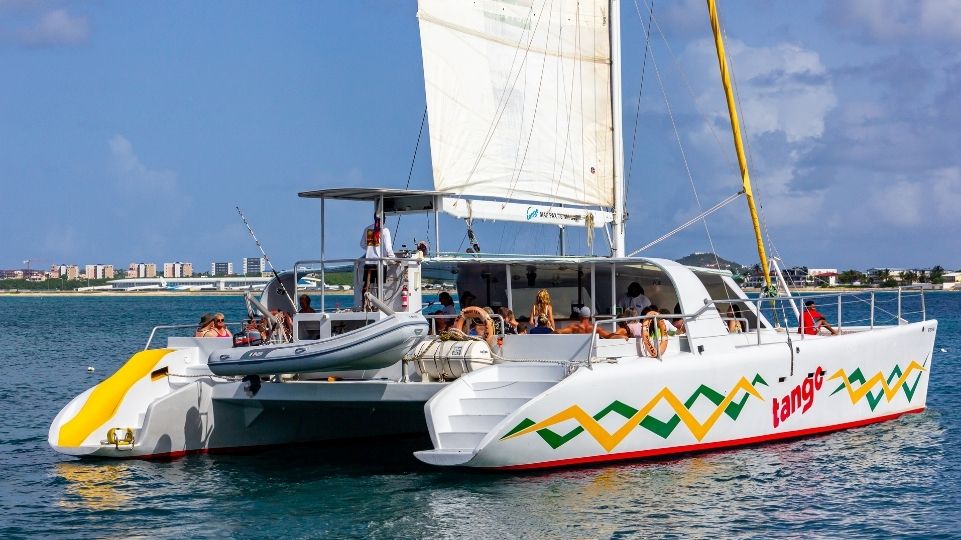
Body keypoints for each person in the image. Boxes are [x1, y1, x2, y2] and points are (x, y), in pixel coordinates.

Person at [360, 213, 395, 296]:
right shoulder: (385, 230)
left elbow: (362, 244)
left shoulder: (368, 229)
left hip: (369, 261)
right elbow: (388, 248)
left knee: (367, 285)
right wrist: (393, 259)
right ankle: (379, 306)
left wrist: (369, 249)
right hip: (380, 262)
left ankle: (364, 304)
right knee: (379, 286)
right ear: (383, 219)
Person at [557, 307, 626, 339]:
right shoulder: (596, 328)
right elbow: (609, 336)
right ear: (589, 316)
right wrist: (622, 337)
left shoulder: (574, 327)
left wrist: (550, 330)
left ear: (580, 316)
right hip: (591, 352)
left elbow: (559, 332)